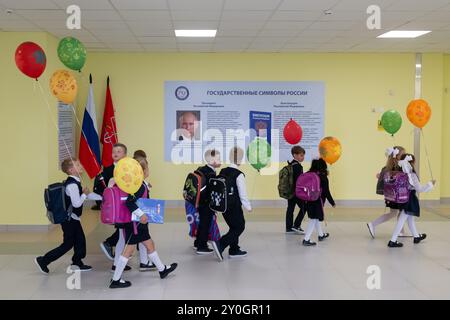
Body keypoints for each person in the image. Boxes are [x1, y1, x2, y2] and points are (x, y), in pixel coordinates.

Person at [110, 157, 177, 288]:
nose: (148, 170)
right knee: (128, 250)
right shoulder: (138, 186)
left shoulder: (140, 185)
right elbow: (129, 202)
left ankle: (162, 269)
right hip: (135, 224)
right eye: (146, 168)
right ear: (142, 171)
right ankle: (115, 279)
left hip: (139, 224)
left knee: (150, 245)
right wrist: (141, 215)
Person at [35, 159, 92, 274]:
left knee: (80, 240)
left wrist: (103, 197)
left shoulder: (74, 182)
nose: (81, 166)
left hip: (72, 218)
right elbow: (77, 203)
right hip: (69, 219)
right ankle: (43, 260)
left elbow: (81, 198)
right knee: (68, 244)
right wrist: (85, 194)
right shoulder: (72, 185)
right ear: (71, 170)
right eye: (78, 165)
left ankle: (77, 262)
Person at [212, 147, 252, 261]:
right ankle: (220, 244)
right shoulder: (239, 174)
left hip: (223, 206)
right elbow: (242, 194)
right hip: (234, 206)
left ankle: (234, 249)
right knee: (239, 226)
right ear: (240, 159)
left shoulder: (223, 171)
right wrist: (248, 206)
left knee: (233, 226)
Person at [387, 154, 435, 248]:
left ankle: (416, 236)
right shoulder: (412, 175)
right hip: (410, 199)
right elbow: (420, 189)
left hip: (402, 198)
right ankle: (392, 240)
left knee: (410, 219)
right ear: (412, 163)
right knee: (402, 219)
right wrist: (430, 184)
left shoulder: (399, 173)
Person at [98, 143, 129, 264]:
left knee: (123, 229)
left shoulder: (128, 168)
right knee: (123, 229)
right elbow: (104, 188)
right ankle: (114, 251)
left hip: (125, 202)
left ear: (125, 155)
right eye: (114, 152)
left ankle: (120, 258)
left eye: (119, 151)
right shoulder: (108, 170)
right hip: (115, 204)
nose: (115, 153)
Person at [367, 146, 407, 238]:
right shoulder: (398, 167)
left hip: (392, 195)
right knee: (399, 212)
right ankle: (373, 224)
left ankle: (401, 231)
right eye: (403, 154)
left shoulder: (389, 166)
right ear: (397, 156)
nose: (405, 156)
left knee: (398, 212)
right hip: (396, 195)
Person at [302, 158, 336, 246]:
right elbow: (326, 192)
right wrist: (332, 202)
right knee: (313, 219)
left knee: (315, 217)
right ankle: (306, 239)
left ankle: (321, 235)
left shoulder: (309, 174)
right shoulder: (323, 177)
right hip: (318, 201)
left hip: (308, 199)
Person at [195, 149, 221, 254]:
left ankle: (198, 242)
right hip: (206, 203)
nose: (220, 161)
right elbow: (212, 191)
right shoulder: (211, 174)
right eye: (218, 159)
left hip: (200, 201)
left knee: (202, 223)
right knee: (206, 224)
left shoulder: (201, 169)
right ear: (211, 160)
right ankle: (202, 246)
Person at [285, 145, 306, 234]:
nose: (303, 157)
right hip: (297, 192)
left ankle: (289, 228)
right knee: (305, 207)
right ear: (295, 155)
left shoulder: (290, 165)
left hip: (290, 191)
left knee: (290, 209)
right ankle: (296, 225)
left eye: (303, 155)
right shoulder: (298, 166)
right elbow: (299, 181)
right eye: (301, 155)